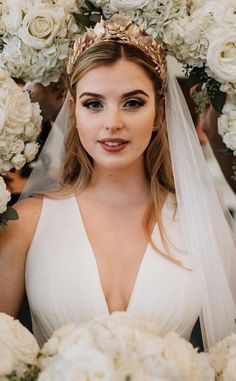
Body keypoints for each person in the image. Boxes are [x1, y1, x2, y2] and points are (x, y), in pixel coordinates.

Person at [0, 16, 235, 351]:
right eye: (94, 104)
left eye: (133, 103)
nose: (113, 123)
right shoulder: (24, 224)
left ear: (159, 112)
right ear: (73, 110)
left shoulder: (201, 224)